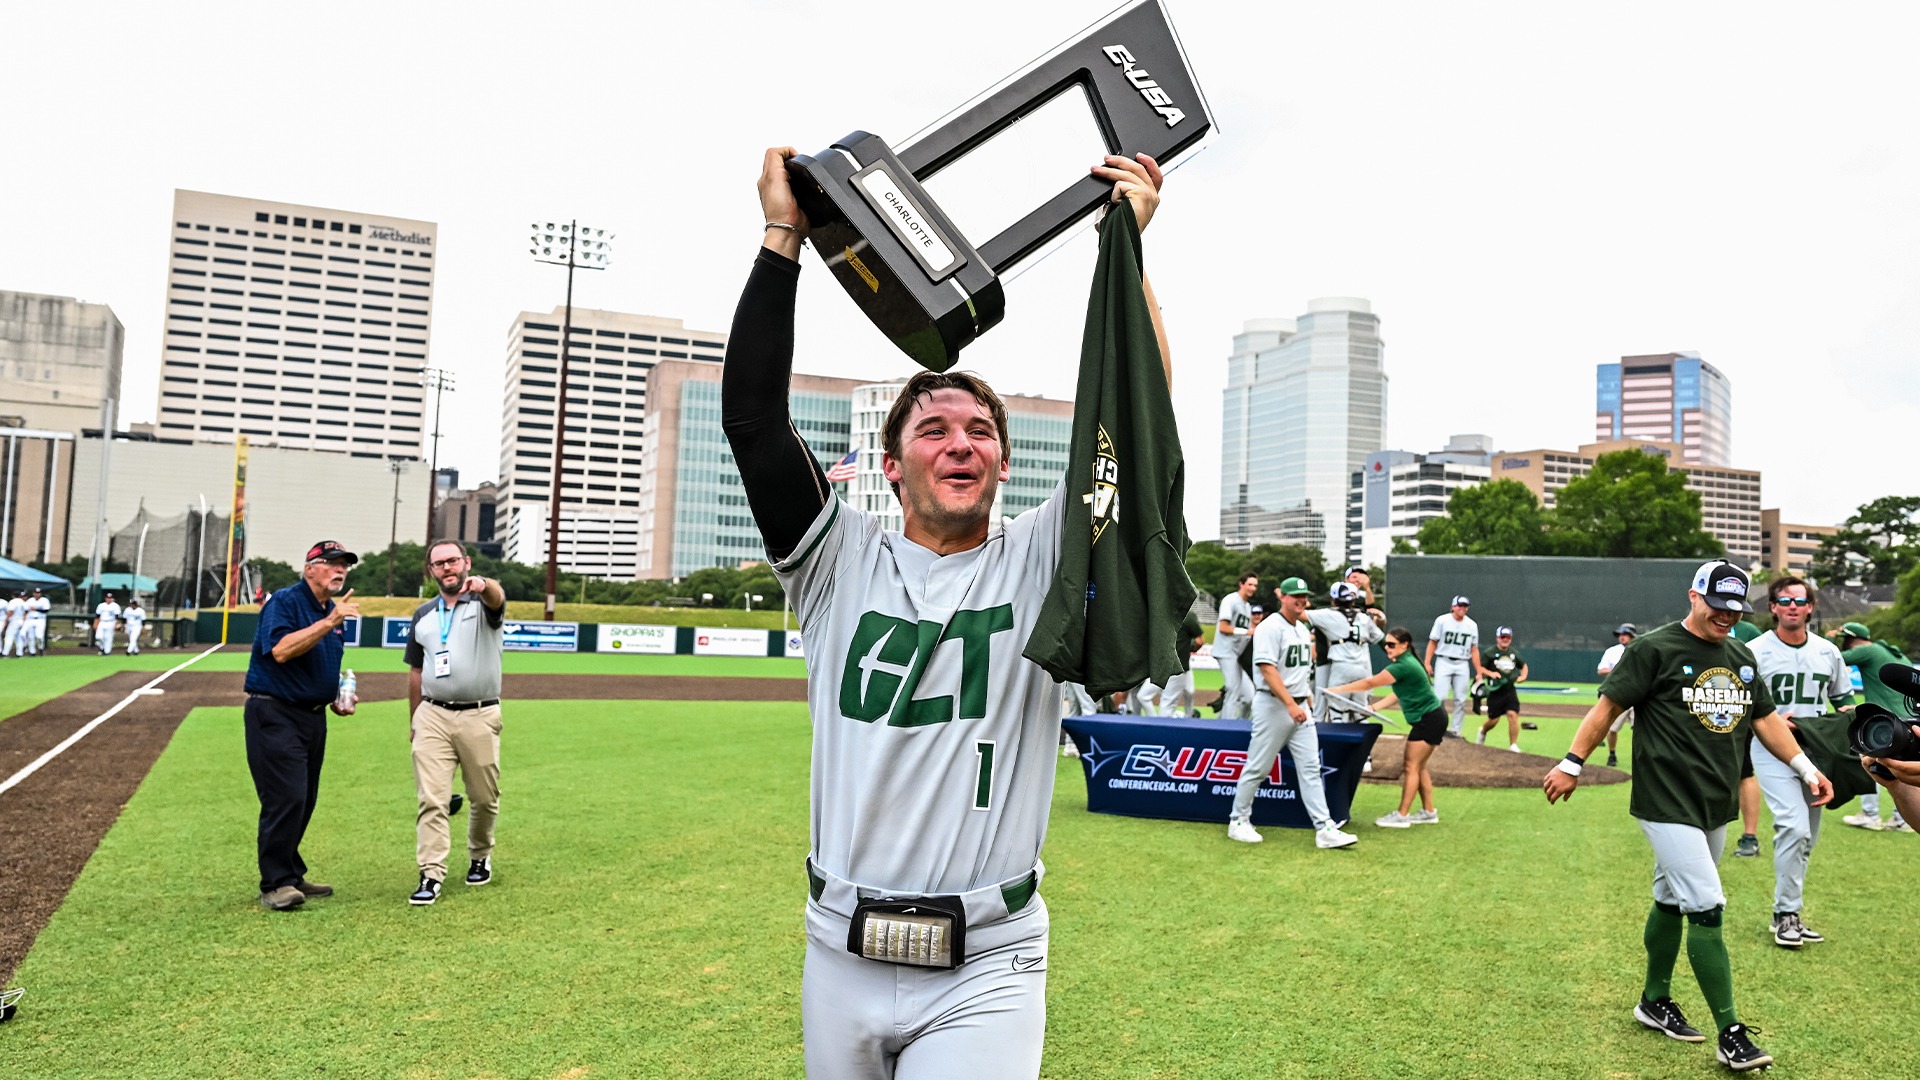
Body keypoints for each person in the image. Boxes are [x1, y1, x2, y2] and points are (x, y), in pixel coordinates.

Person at [726, 144, 1172, 1080]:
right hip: (838, 950)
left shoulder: (1044, 556)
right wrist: (783, 236)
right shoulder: (835, 559)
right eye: (932, 429)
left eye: (980, 432)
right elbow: (756, 422)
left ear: (1005, 464)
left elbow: (1135, 427)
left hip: (992, 960)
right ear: (892, 467)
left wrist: (1130, 253)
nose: (959, 443)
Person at [1542, 559, 1833, 1073]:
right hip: (1664, 798)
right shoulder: (1653, 648)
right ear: (1694, 595)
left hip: (1713, 800)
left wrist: (1806, 768)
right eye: (1718, 606)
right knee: (1707, 903)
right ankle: (1732, 1032)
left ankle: (1653, 1001)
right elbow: (1607, 708)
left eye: (1735, 609)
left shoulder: (1741, 655)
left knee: (1670, 897)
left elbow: (1765, 720)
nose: (1726, 617)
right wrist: (1572, 762)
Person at [242, 541, 361, 911]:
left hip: (312, 715)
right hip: (274, 713)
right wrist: (328, 623)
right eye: (331, 564)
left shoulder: (330, 610)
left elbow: (318, 663)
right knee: (286, 796)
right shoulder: (287, 602)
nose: (339, 570)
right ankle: (275, 883)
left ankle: (291, 873)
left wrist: (338, 695)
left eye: (344, 566)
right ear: (309, 568)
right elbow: (279, 650)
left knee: (305, 799)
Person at [1746, 577, 1855, 948]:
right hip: (1771, 749)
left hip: (1815, 749)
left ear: (1810, 607)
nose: (1792, 606)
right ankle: (1786, 915)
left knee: (1807, 838)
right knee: (1793, 828)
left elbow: (1844, 704)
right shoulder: (1754, 650)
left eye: (1799, 600)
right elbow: (1741, 707)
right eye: (1784, 600)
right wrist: (1771, 721)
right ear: (1773, 607)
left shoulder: (1828, 652)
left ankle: (1787, 911)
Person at [403, 540, 507, 907]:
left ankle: (480, 854)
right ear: (431, 571)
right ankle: (430, 874)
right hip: (433, 714)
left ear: (465, 562)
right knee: (432, 799)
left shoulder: (484, 605)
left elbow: (497, 597)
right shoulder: (424, 615)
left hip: (479, 713)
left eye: (452, 561)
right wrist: (414, 717)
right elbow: (416, 670)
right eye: (438, 564)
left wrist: (483, 584)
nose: (446, 568)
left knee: (483, 797)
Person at [1227, 577, 1359, 849]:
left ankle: (1324, 828)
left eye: (1304, 596)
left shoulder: (1300, 627)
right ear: (1283, 598)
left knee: (1311, 768)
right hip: (1274, 704)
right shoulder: (1269, 627)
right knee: (1258, 767)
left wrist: (1305, 700)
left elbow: (1298, 671)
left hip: (1299, 705)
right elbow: (1267, 669)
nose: (1301, 600)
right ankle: (1238, 820)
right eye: (1295, 596)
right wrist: (1290, 703)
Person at [1330, 627, 1445, 828]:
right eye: (1386, 645)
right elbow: (1398, 693)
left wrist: (1337, 690)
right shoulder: (1406, 662)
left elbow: (1369, 683)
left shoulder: (1403, 666)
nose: (1388, 648)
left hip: (1428, 720)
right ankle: (1429, 812)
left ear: (1404, 645)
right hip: (1431, 719)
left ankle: (1402, 815)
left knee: (1410, 766)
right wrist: (1373, 707)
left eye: (1392, 645)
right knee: (1419, 767)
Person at [1839, 622, 1912, 831]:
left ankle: (1870, 814)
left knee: (1870, 761)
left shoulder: (1867, 651)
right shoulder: (1892, 652)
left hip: (1885, 720)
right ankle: (1901, 818)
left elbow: (1832, 657)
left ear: (1851, 639)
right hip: (1907, 719)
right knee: (1902, 767)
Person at [1308, 581, 1385, 724]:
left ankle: (1335, 743)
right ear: (1353, 600)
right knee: (1360, 713)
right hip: (1362, 668)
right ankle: (1363, 744)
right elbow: (1382, 640)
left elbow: (1300, 615)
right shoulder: (1363, 617)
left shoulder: (1327, 615)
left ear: (1333, 599)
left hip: (1340, 667)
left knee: (1336, 711)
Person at [1424, 595, 1481, 737]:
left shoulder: (1472, 625)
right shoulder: (1442, 621)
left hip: (1462, 662)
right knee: (1439, 698)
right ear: (1453, 606)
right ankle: (1438, 727)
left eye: (1465, 606)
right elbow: (1433, 642)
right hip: (1444, 660)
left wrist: (1479, 671)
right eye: (1459, 605)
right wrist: (1427, 662)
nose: (1462, 608)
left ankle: (1456, 730)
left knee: (1461, 700)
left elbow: (1474, 649)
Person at [1211, 573, 1258, 718]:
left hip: (1238, 655)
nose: (1253, 588)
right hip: (1226, 651)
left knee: (1249, 697)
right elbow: (1223, 628)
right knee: (1233, 689)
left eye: (1255, 585)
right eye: (1250, 584)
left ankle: (1236, 725)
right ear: (1241, 584)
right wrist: (1248, 631)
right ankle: (1225, 730)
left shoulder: (1247, 606)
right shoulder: (1230, 600)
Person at [1475, 626, 1529, 751]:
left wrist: (1524, 676)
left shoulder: (1513, 653)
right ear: (1497, 638)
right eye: (1502, 637)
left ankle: (1513, 745)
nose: (1505, 639)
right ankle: (1483, 731)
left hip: (1509, 689)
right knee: (1493, 720)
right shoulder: (1490, 653)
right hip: (1495, 690)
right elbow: (1480, 667)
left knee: (1513, 714)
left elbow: (1524, 665)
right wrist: (1490, 674)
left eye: (1508, 637)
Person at [1598, 623, 1637, 767]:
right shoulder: (1612, 651)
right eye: (1620, 634)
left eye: (1625, 634)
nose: (1621, 637)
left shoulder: (1641, 649)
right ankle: (1612, 754)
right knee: (1613, 729)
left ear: (1632, 635)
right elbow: (1601, 670)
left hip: (1638, 696)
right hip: (1619, 695)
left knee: (1640, 730)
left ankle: (1640, 757)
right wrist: (1617, 670)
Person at [25, 587, 49, 656]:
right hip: (30, 619)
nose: (37, 594)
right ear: (33, 593)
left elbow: (46, 610)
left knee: (39, 636)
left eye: (38, 593)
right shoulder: (30, 600)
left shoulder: (44, 600)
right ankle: (32, 652)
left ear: (41, 594)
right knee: (30, 636)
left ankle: (40, 648)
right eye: (35, 593)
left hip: (40, 619)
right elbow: (26, 609)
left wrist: (36, 609)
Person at [0, 591, 23, 657]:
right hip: (20, 620)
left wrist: (6, 621)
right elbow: (25, 612)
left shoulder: (12, 602)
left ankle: (5, 653)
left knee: (9, 637)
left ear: (13, 595)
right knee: (18, 637)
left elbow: (11, 612)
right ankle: (19, 653)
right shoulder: (22, 601)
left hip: (13, 621)